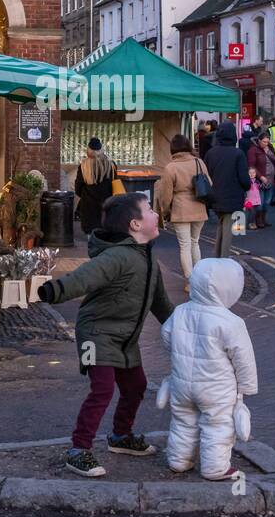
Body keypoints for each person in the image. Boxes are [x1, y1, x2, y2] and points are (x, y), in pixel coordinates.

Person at [37, 192, 174, 477]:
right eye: (149, 210)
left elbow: (160, 303)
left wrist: (184, 326)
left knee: (136, 386)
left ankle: (121, 436)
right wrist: (54, 290)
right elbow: (85, 276)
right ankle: (78, 449)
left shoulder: (149, 260)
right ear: (135, 225)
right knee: (103, 389)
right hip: (95, 334)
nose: (156, 215)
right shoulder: (117, 257)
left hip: (124, 339)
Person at [158, 257, 258, 480]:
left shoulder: (181, 311)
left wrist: (180, 355)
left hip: (182, 384)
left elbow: (166, 336)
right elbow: (243, 359)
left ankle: (178, 460)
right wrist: (247, 386)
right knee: (218, 426)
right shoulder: (231, 322)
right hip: (217, 388)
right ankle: (215, 468)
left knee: (183, 421)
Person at [155, 133, 212, 292]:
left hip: (180, 209)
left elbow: (166, 196)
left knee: (185, 245)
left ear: (173, 149)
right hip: (199, 206)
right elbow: (210, 183)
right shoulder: (198, 162)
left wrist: (165, 212)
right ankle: (199, 278)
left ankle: (190, 280)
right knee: (195, 242)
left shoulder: (171, 167)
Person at [203, 120, 251, 257]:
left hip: (214, 196)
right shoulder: (238, 153)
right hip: (233, 197)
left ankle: (217, 258)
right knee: (228, 231)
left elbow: (207, 175)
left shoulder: (210, 153)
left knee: (222, 227)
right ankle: (223, 261)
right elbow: (244, 180)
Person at [73, 138, 117, 236]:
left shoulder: (83, 166)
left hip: (89, 207)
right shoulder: (111, 165)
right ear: (101, 149)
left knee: (91, 237)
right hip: (106, 205)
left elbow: (78, 187)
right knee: (105, 234)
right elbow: (115, 183)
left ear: (88, 150)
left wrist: (84, 195)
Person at [246, 131, 275, 229]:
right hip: (259, 181)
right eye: (264, 142)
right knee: (260, 203)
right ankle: (257, 220)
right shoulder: (253, 150)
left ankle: (263, 219)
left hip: (271, 179)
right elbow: (251, 166)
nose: (266, 144)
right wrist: (260, 176)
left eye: (267, 142)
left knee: (267, 203)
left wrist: (268, 151)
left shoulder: (269, 147)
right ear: (259, 141)